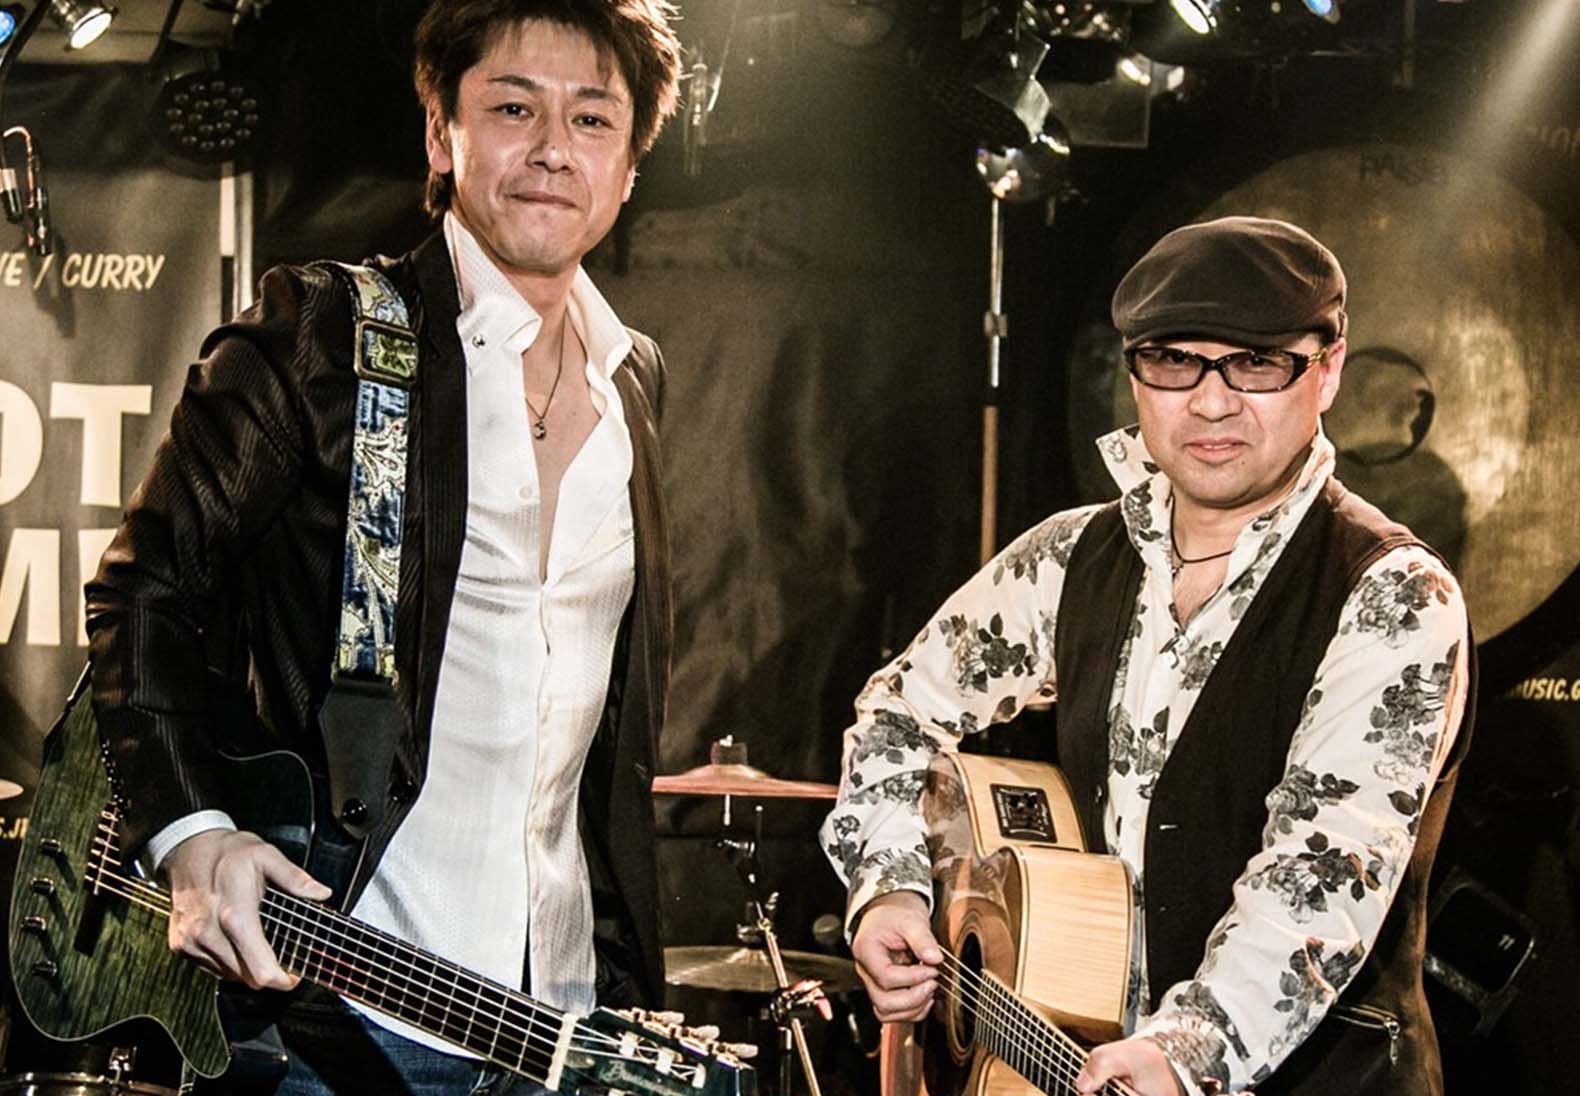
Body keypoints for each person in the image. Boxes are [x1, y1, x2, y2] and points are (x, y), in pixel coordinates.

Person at [84, 2, 682, 1093]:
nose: (554, 148)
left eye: (592, 119)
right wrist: (191, 831)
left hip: (559, 1013)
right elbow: (144, 592)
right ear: (441, 135)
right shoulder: (324, 331)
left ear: (629, 165)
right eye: (513, 108)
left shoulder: (632, 378)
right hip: (339, 1009)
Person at [820, 217, 1473, 1096]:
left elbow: (1320, 878)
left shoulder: (1393, 596)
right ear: (1134, 375)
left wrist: (1186, 1049)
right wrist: (891, 887)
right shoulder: (1070, 556)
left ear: (1328, 371)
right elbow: (900, 714)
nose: (1211, 402)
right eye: (1174, 361)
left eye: (1256, 363)